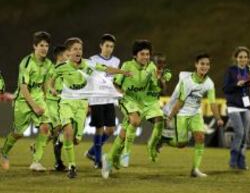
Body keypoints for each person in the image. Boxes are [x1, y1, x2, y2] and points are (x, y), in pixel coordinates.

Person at [50, 37, 130, 178]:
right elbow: (51, 81)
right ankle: (72, 167)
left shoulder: (88, 64)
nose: (78, 51)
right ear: (68, 52)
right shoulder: (61, 67)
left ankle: (60, 140)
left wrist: (123, 72)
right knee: (68, 131)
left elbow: (106, 69)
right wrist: (52, 89)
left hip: (82, 104)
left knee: (76, 140)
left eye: (80, 49)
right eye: (75, 49)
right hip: (66, 102)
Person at [101, 40, 164, 178]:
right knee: (135, 121)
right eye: (143, 54)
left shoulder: (151, 67)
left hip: (142, 102)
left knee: (124, 132)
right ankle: (126, 153)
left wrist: (160, 80)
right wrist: (121, 92)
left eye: (148, 54)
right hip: (128, 100)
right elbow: (115, 83)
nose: (146, 57)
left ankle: (109, 159)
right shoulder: (127, 66)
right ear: (135, 55)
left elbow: (156, 87)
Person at [0, 31, 53, 172]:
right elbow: (23, 87)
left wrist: (48, 100)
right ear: (34, 46)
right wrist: (34, 106)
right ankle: (3, 152)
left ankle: (36, 162)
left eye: (47, 45)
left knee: (45, 128)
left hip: (38, 98)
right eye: (41, 45)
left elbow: (46, 85)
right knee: (18, 133)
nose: (44, 48)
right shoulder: (26, 63)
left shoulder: (48, 64)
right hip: (23, 100)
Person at [164, 53, 224, 177]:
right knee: (182, 144)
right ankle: (163, 140)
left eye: (207, 64)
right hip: (182, 114)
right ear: (196, 65)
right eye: (202, 64)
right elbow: (180, 102)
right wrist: (170, 116)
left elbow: (212, 103)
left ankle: (195, 169)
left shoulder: (209, 83)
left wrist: (218, 118)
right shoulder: (187, 81)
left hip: (196, 113)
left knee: (200, 137)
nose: (205, 66)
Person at [84, 34, 121, 169]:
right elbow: (88, 80)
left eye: (111, 46)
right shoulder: (92, 60)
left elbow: (114, 81)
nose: (109, 49)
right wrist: (87, 101)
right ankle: (97, 160)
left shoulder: (116, 61)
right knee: (99, 129)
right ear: (101, 46)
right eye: (107, 46)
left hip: (109, 99)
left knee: (110, 130)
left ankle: (91, 152)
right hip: (96, 99)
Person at [223, 46, 250, 170]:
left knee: (245, 135)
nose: (243, 59)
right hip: (233, 105)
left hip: (247, 105)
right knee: (239, 132)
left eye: (245, 57)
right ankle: (234, 157)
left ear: (248, 59)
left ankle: (241, 159)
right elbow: (225, 88)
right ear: (236, 58)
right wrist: (236, 84)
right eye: (240, 57)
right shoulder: (231, 71)